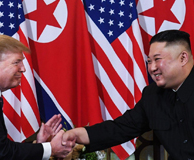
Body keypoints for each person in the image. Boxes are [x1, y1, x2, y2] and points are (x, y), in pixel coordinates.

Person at [62, 30, 194, 160]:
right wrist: (77, 134)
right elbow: (121, 128)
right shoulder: (152, 95)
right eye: (149, 61)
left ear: (183, 58)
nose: (152, 68)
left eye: (157, 59)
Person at [0, 34, 74, 160]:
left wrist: (40, 144)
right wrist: (50, 148)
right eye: (17, 62)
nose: (23, 69)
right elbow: (1, 153)